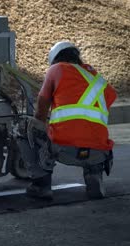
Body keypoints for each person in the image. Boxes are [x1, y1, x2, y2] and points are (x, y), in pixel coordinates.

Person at [16, 41, 117, 199]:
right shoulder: (96, 78)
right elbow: (107, 100)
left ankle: (41, 184)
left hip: (65, 149)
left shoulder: (56, 69)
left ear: (55, 60)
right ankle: (94, 174)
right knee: (92, 132)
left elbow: (40, 114)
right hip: (99, 151)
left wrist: (49, 123)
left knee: (23, 126)